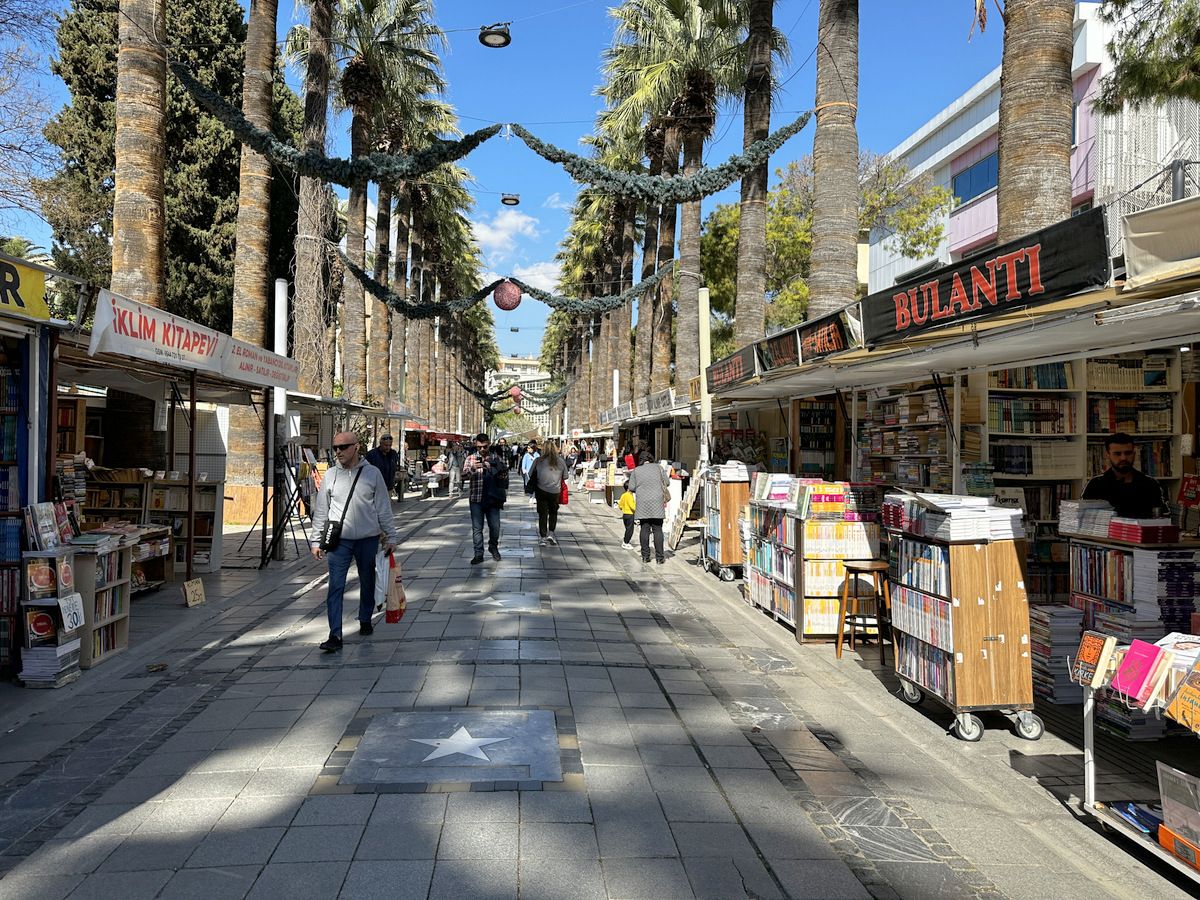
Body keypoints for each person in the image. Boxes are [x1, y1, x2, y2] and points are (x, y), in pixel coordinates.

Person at [310, 431, 399, 652]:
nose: (338, 452)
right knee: (336, 586)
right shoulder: (330, 475)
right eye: (335, 448)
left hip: (368, 538)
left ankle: (365, 617)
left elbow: (383, 507)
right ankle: (335, 635)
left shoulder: (372, 474)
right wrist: (315, 539)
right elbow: (322, 509)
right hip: (339, 541)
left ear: (356, 447)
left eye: (343, 447)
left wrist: (392, 536)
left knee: (368, 580)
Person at [1082, 432, 1169, 519]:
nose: (1123, 458)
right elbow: (1084, 518)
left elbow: (1161, 517)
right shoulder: (1095, 485)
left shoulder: (1150, 484)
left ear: (1134, 454)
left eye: (1128, 453)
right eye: (1117, 454)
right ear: (1108, 455)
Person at [464, 432, 508, 564]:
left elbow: (504, 474)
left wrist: (498, 473)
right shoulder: (470, 458)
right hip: (476, 498)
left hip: (493, 498)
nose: (482, 450)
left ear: (489, 444)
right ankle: (478, 554)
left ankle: (493, 546)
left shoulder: (496, 458)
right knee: (477, 528)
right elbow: (463, 476)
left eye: (484, 447)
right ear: (475, 446)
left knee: (495, 527)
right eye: (479, 447)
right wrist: (472, 469)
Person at [627, 450, 669, 564]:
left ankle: (645, 556)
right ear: (651, 458)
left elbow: (631, 487)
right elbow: (667, 482)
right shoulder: (659, 468)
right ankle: (660, 557)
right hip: (657, 502)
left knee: (644, 528)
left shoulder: (637, 470)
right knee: (657, 529)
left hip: (643, 503)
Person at [531, 440, 568, 545]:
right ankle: (551, 533)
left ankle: (543, 537)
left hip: (541, 489)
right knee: (553, 512)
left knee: (542, 514)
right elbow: (566, 476)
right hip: (555, 491)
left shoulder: (538, 461)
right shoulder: (560, 461)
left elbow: (530, 473)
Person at [365, 434, 400, 500]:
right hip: (375, 487)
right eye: (386, 445)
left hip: (388, 487)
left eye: (390, 445)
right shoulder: (372, 454)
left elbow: (395, 466)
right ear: (381, 444)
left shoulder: (393, 454)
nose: (388, 447)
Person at [618, 480, 636, 550]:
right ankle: (626, 542)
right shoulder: (629, 495)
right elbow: (632, 506)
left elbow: (620, 505)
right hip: (630, 514)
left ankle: (626, 540)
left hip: (625, 514)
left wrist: (623, 508)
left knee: (627, 529)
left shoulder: (623, 495)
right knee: (630, 530)